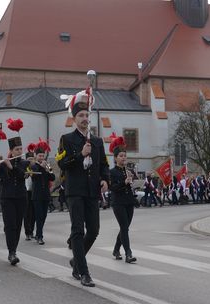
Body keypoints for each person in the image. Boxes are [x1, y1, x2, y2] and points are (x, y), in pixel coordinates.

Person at [57, 88, 109, 287]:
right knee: (77, 230)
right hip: (75, 190)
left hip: (91, 191)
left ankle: (76, 260)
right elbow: (62, 164)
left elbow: (103, 164)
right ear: (74, 118)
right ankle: (84, 272)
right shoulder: (67, 139)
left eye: (87, 115)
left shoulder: (96, 141)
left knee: (94, 230)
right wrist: (80, 154)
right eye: (81, 115)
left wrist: (105, 180)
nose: (85, 118)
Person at [0, 120, 28, 265]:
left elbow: (22, 175)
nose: (20, 152)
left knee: (18, 225)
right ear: (12, 151)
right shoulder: (4, 164)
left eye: (21, 149)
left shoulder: (25, 163)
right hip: (7, 198)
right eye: (17, 149)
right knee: (10, 225)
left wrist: (11, 167)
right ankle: (11, 252)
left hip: (21, 197)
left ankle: (14, 249)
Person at [108, 134, 137, 263]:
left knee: (125, 228)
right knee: (124, 227)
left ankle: (116, 249)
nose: (123, 158)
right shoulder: (112, 172)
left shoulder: (128, 170)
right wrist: (124, 182)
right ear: (115, 158)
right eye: (121, 156)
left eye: (125, 155)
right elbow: (113, 188)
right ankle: (128, 254)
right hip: (118, 202)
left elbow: (129, 187)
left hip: (128, 202)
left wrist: (131, 181)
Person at [30, 138, 56, 245]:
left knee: (44, 216)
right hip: (36, 195)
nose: (41, 157)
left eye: (43, 155)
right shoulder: (33, 166)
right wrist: (42, 168)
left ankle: (38, 233)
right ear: (35, 156)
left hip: (45, 194)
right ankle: (39, 236)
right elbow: (34, 177)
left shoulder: (47, 165)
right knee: (39, 215)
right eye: (39, 156)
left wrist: (46, 169)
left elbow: (52, 177)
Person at [23, 144, 36, 241]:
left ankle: (31, 230)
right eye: (29, 159)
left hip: (34, 192)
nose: (31, 160)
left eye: (32, 158)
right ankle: (27, 232)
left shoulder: (35, 167)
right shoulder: (23, 167)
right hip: (25, 192)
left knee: (34, 213)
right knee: (27, 213)